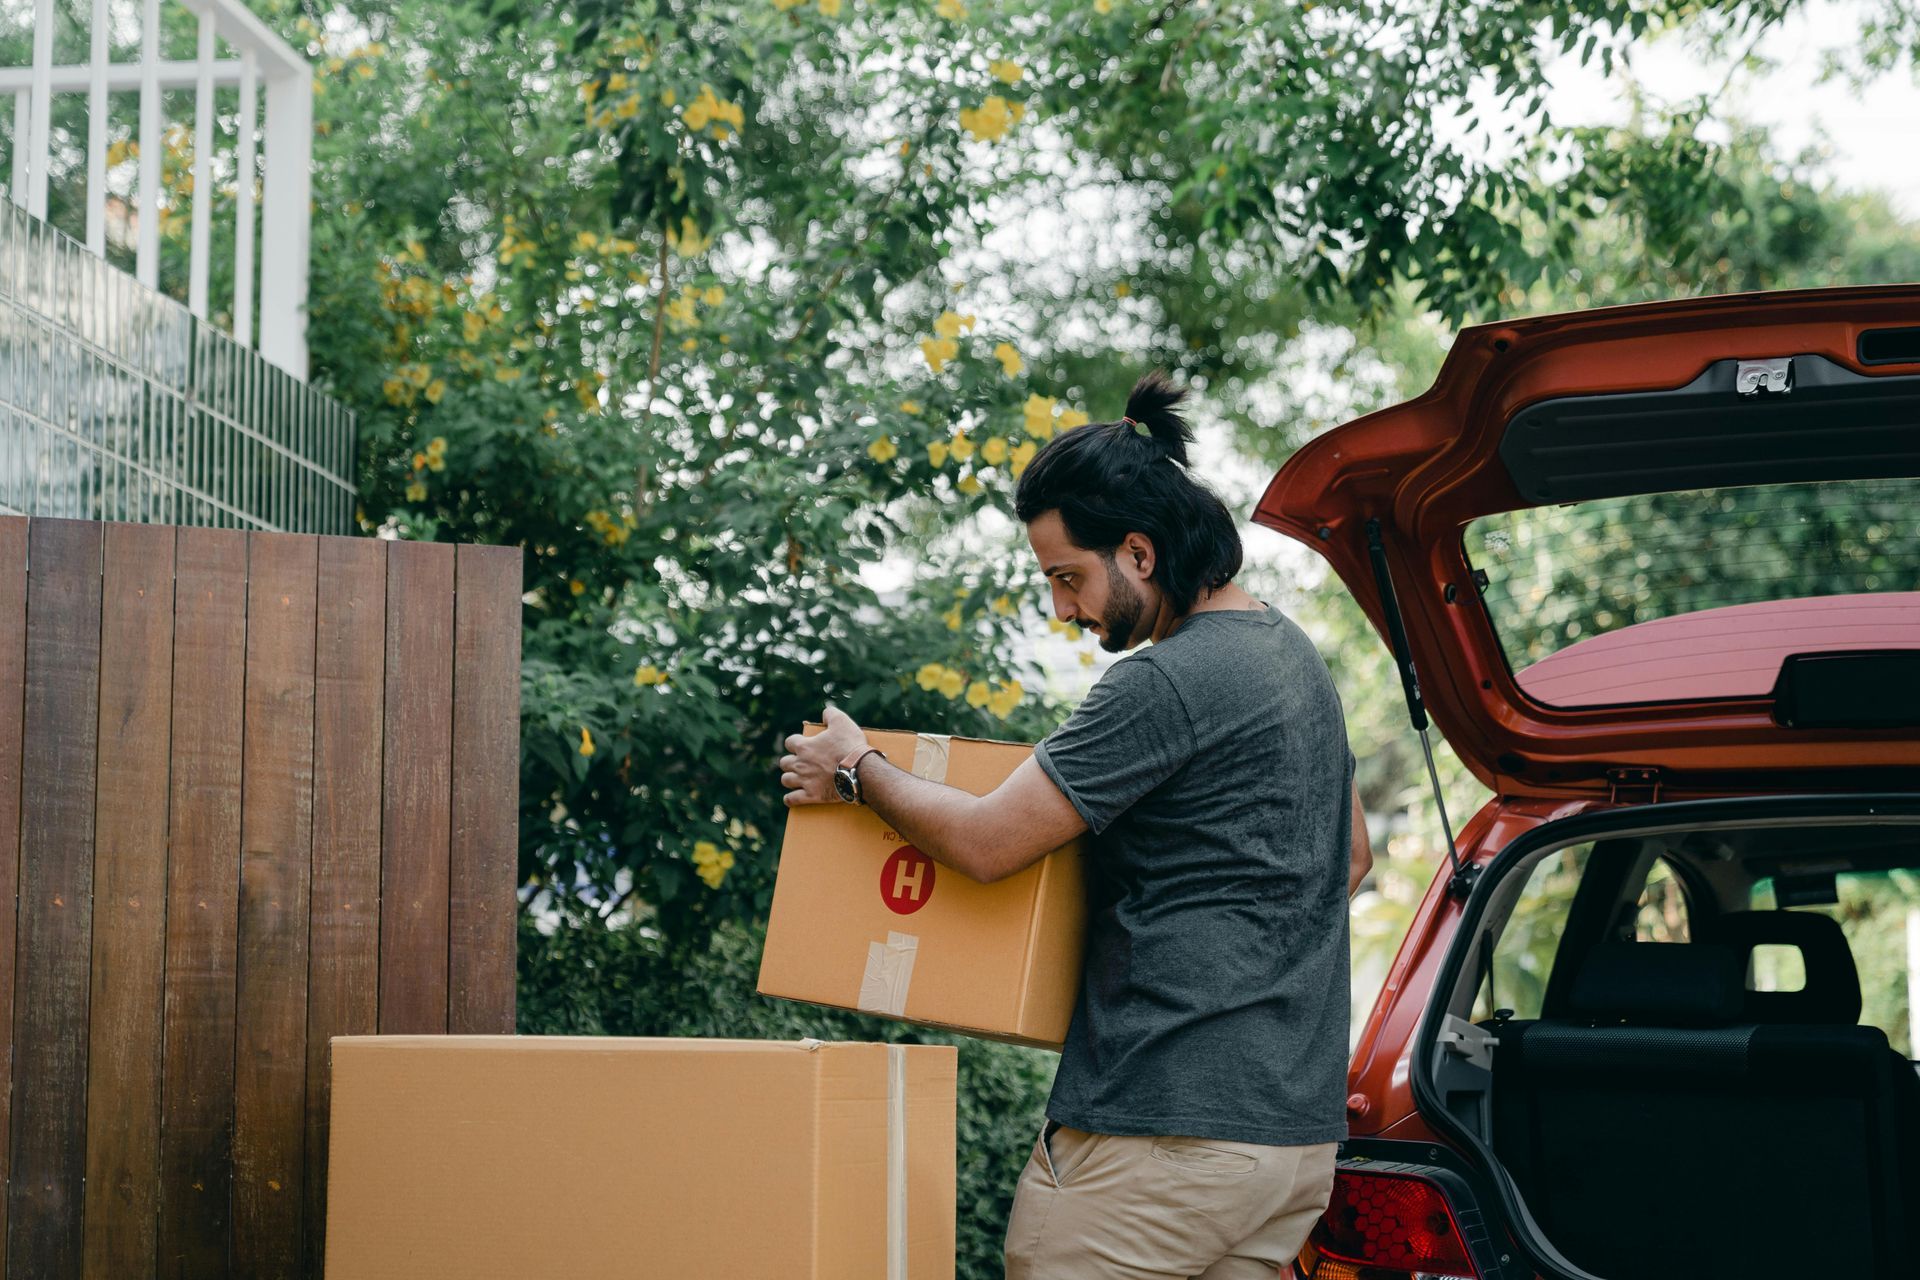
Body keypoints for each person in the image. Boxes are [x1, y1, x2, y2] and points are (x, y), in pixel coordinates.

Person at [778, 370, 1370, 1279]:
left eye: (1068, 577)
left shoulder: (1165, 681)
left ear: (1139, 552)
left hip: (1159, 1138)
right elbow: (1354, 858)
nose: (1061, 607)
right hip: (1286, 1149)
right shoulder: (1294, 658)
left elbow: (985, 842)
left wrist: (857, 771)